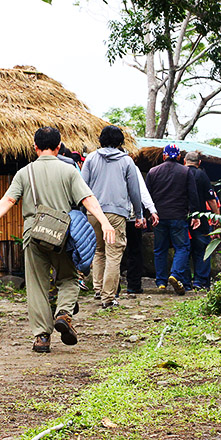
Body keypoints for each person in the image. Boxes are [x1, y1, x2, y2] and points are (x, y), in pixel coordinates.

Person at [0, 126, 115, 354]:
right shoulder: (69, 171)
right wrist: (104, 222)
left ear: (35, 147)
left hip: (33, 233)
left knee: (37, 286)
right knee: (69, 277)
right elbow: (87, 198)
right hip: (62, 234)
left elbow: (9, 199)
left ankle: (42, 338)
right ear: (58, 147)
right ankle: (63, 313)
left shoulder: (25, 172)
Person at [81, 125, 144, 309]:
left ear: (100, 140)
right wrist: (138, 214)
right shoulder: (127, 161)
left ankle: (98, 289)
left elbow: (82, 186)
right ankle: (108, 297)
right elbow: (134, 190)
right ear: (120, 142)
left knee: (98, 251)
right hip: (116, 213)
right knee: (114, 253)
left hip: (93, 211)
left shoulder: (91, 158)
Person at [145, 144, 200, 296]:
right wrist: (195, 215)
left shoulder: (153, 172)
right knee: (182, 248)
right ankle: (175, 274)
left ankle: (161, 282)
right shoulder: (185, 171)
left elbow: (147, 195)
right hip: (178, 216)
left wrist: (147, 215)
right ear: (178, 157)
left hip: (159, 217)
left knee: (159, 249)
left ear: (163, 156)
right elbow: (192, 195)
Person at [183, 151, 220, 290]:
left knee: (184, 250)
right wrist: (216, 216)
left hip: (183, 218)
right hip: (201, 218)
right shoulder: (201, 175)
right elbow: (211, 199)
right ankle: (200, 281)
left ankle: (185, 282)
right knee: (203, 249)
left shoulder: (180, 173)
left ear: (184, 161)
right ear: (199, 163)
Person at [119, 171, 159, 297]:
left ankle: (109, 287)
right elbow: (140, 190)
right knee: (134, 250)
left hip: (109, 214)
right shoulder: (130, 165)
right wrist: (149, 210)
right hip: (130, 215)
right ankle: (133, 285)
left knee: (111, 252)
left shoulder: (96, 161)